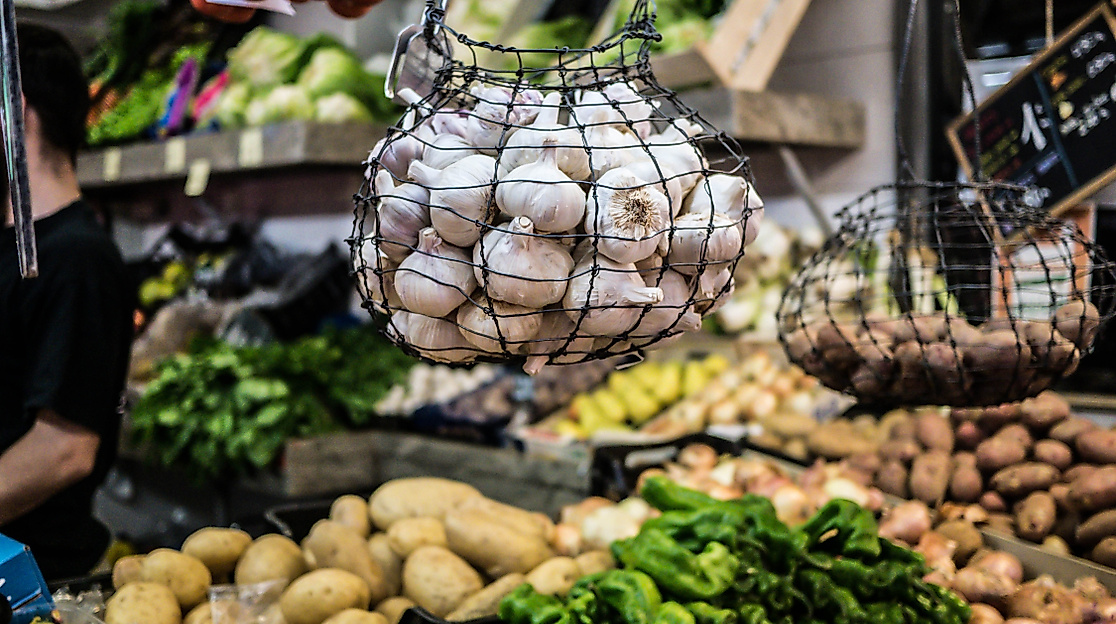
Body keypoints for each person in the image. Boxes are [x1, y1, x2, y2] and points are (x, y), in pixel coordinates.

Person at [0, 23, 134, 580]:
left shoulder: (78, 258)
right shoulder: (14, 245)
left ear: (15, 109)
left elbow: (63, 449)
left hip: (30, 579)